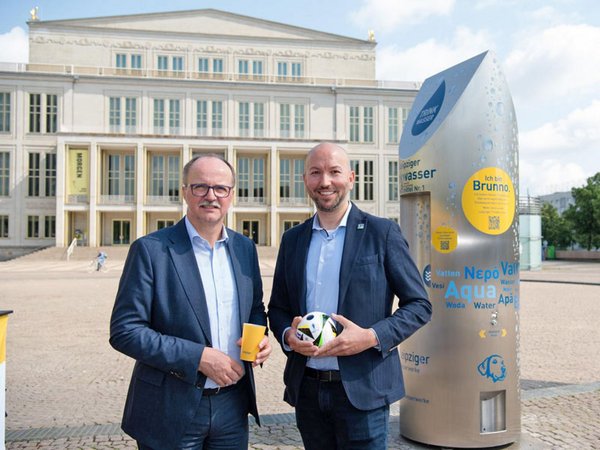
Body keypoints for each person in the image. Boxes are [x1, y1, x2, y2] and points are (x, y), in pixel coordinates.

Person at [268, 142, 432, 449]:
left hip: (363, 391)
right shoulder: (292, 240)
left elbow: (419, 305)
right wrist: (288, 334)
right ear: (305, 180)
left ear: (352, 178)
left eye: (334, 172)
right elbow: (277, 308)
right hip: (308, 392)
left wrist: (371, 336)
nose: (325, 181)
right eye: (315, 173)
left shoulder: (381, 233)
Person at [110, 154, 272, 450]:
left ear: (231, 195)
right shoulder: (151, 250)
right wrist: (198, 357)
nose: (211, 196)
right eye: (200, 187)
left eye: (220, 188)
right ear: (184, 191)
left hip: (233, 407)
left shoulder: (244, 248)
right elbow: (125, 331)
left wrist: (260, 338)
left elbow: (254, 310)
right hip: (170, 407)